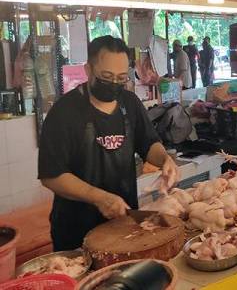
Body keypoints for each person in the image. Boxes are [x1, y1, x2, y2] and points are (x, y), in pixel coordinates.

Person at [38, 35, 179, 251]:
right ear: (88, 70)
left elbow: (149, 143)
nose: (114, 83)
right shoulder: (63, 113)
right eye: (106, 76)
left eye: (121, 78)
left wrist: (164, 160)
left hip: (124, 224)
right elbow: (51, 175)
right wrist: (98, 197)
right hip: (75, 232)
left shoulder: (130, 103)